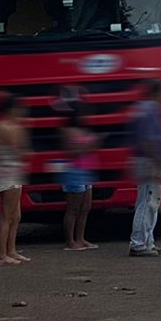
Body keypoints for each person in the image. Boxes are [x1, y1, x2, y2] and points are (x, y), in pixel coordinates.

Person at [129, 80, 161, 257]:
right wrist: (156, 162)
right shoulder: (151, 110)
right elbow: (149, 140)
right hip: (149, 161)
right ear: (158, 92)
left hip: (146, 160)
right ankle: (138, 243)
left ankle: (148, 241)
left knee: (152, 203)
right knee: (147, 203)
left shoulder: (143, 109)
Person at [0, 96, 30, 266]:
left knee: (16, 215)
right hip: (7, 172)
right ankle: (1, 255)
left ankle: (11, 250)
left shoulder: (8, 126)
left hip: (13, 171)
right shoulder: (4, 127)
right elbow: (19, 149)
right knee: (7, 216)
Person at [59, 103, 98, 251]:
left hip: (86, 169)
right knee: (73, 208)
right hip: (73, 171)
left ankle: (80, 238)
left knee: (85, 207)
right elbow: (69, 150)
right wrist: (86, 147)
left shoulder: (85, 130)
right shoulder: (67, 131)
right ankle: (70, 241)